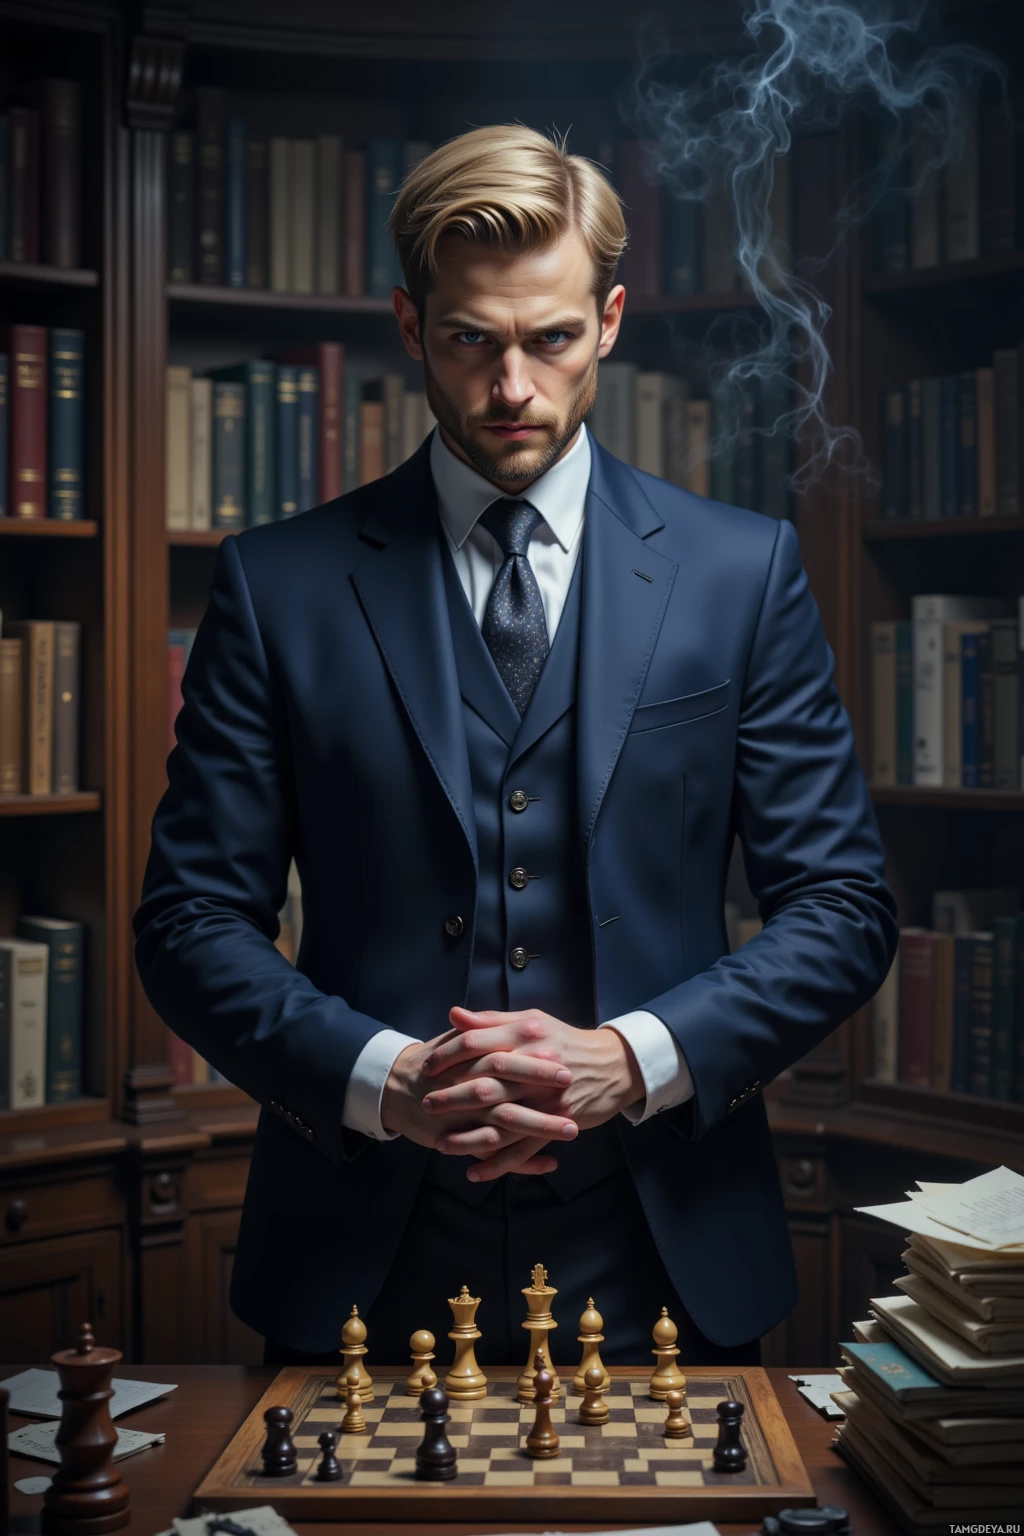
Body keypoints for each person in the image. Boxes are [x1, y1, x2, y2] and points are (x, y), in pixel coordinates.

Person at [133, 124, 897, 1369]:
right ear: (407, 323)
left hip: (672, 1256)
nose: (512, 390)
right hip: (360, 1262)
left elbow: (845, 909)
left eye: (548, 340)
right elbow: (186, 927)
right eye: (469, 341)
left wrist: (631, 1060)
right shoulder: (278, 586)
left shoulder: (737, 572)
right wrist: (388, 1080)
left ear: (606, 318)